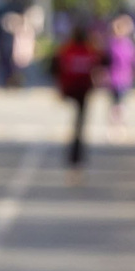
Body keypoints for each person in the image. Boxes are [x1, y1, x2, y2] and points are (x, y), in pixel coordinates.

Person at [54, 20, 102, 168]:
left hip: (73, 88)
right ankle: (76, 152)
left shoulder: (68, 50)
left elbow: (56, 67)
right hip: (82, 90)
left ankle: (75, 152)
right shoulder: (89, 50)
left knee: (77, 123)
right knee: (79, 122)